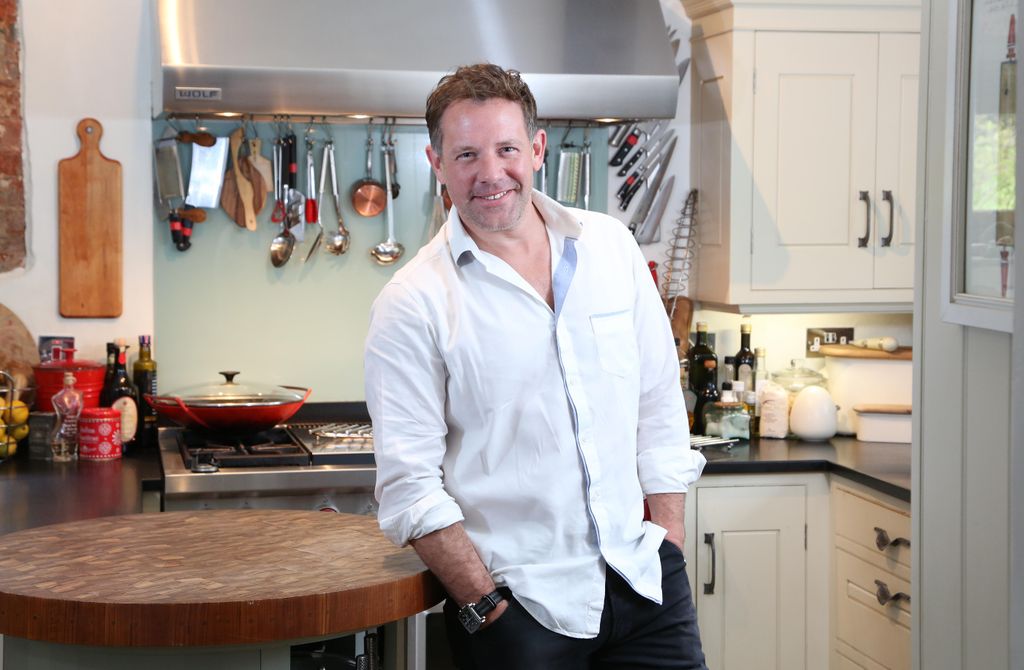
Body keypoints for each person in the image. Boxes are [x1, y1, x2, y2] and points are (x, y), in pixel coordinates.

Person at [364, 63, 707, 669]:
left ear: (538, 149)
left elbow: (657, 402)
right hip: (522, 616)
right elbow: (409, 487)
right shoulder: (413, 301)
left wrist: (670, 543)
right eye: (467, 154)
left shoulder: (611, 248)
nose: (491, 173)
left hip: (646, 586)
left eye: (507, 149)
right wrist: (486, 609)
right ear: (436, 164)